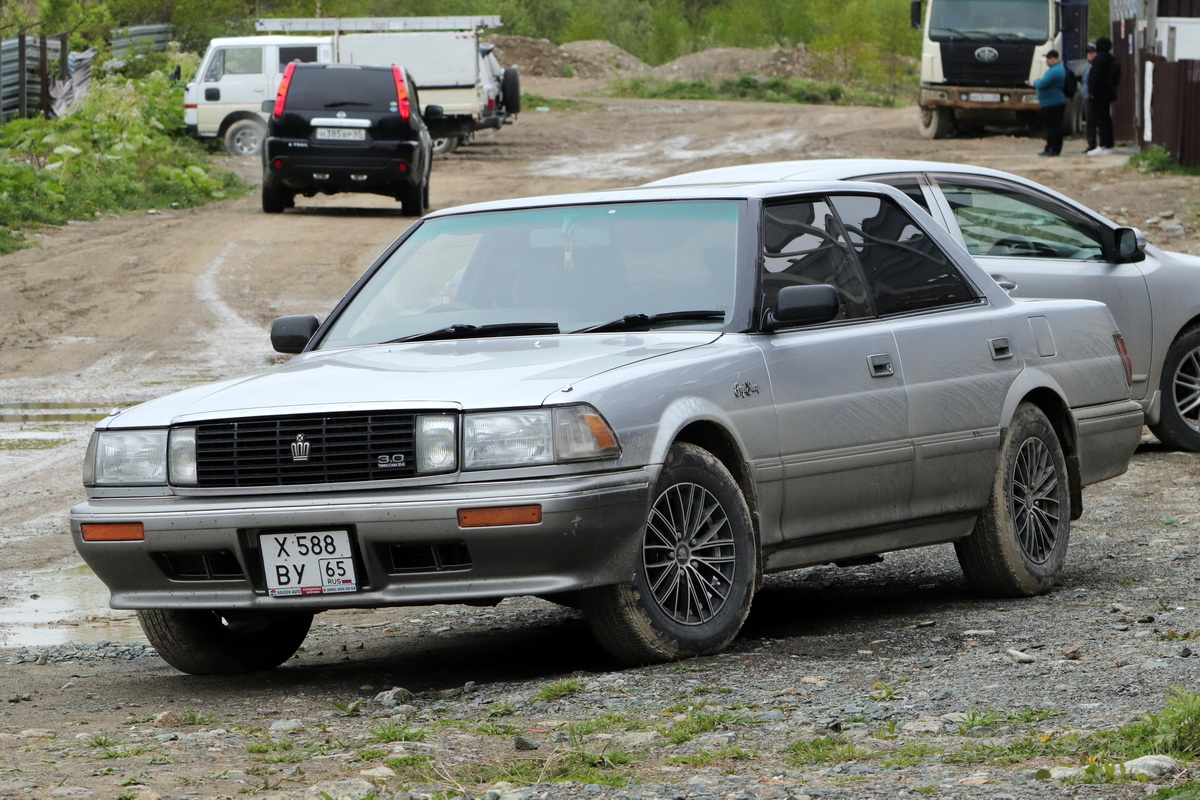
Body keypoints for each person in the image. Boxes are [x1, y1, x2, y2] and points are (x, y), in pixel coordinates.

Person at [1087, 36, 1120, 155]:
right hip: (1108, 93)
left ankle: (1103, 145)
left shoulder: (1099, 59)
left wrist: (1092, 91)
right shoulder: (1112, 59)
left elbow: (1096, 77)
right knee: (1106, 118)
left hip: (1098, 94)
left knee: (1100, 120)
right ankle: (1108, 144)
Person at [1033, 50, 1066, 157]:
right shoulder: (1056, 69)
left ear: (1054, 59)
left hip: (1053, 103)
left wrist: (1036, 82)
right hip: (1050, 103)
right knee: (1051, 127)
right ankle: (1050, 147)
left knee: (1054, 128)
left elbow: (1042, 84)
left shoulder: (1055, 71)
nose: (1047, 61)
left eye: (1048, 59)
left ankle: (1054, 149)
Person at [1081, 41, 1097, 152]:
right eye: (1088, 52)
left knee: (1093, 120)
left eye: (1092, 52)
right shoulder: (1088, 66)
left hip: (1093, 97)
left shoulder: (1096, 66)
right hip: (1087, 96)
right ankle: (1091, 143)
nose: (1090, 54)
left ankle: (1094, 144)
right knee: (1089, 121)